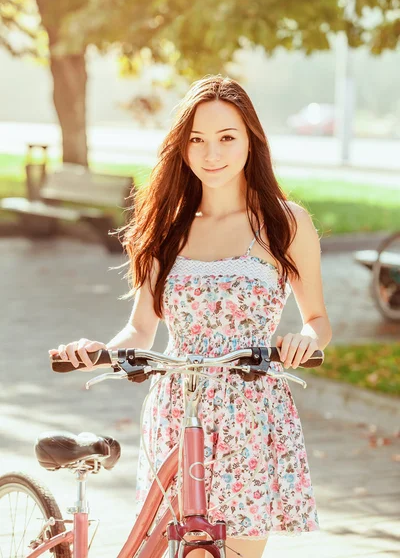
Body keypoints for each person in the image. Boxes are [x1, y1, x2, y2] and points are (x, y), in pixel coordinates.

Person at [49, 74, 332, 558]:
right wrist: (95, 353)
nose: (211, 153)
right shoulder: (166, 229)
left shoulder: (286, 222)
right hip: (177, 407)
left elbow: (318, 319)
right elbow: (141, 328)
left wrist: (305, 340)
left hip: (251, 408)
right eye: (196, 139)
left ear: (251, 141)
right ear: (182, 147)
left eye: (227, 137)